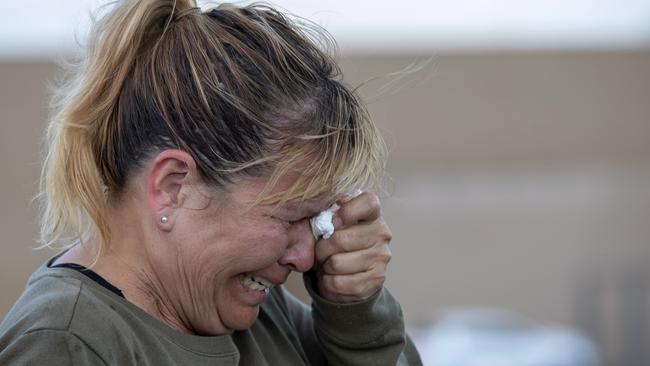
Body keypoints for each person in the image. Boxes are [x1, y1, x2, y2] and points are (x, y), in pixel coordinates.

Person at [0, 1, 422, 364]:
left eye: (317, 220)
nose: (307, 257)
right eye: (291, 218)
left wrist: (355, 310)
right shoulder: (66, 343)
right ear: (173, 187)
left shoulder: (258, 311)